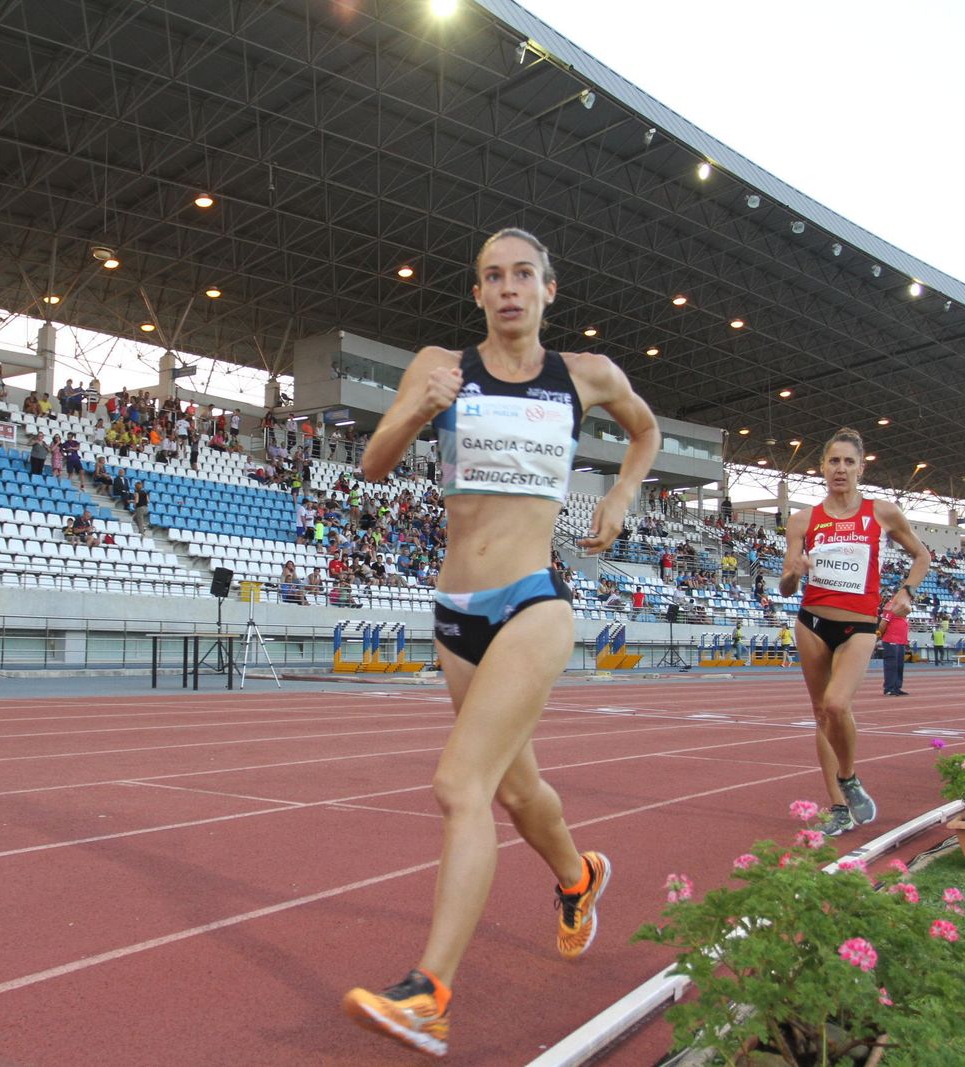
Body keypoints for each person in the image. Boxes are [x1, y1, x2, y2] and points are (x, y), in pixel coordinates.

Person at [341, 228, 661, 1056]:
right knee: (517, 793)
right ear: (477, 292)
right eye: (494, 276)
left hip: (533, 601)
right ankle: (579, 877)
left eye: (524, 274)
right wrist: (420, 407)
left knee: (461, 785)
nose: (509, 287)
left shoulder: (585, 375)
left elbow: (646, 431)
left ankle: (430, 990)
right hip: (457, 612)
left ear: (549, 289)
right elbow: (372, 464)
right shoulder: (438, 366)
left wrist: (622, 494)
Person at [779, 427, 929, 837]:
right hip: (811, 622)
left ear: (861, 468)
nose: (840, 469)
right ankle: (839, 808)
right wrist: (793, 573)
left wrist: (907, 591)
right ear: (822, 467)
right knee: (820, 713)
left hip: (859, 624)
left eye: (848, 462)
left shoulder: (882, 512)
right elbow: (786, 587)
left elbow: (922, 556)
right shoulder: (802, 520)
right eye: (834, 461)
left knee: (837, 704)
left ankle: (848, 777)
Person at [879, 604, 910, 696]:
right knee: (891, 665)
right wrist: (880, 636)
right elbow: (883, 624)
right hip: (891, 640)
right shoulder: (891, 606)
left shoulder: (902, 608)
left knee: (899, 665)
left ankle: (897, 687)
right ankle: (889, 688)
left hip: (901, 641)